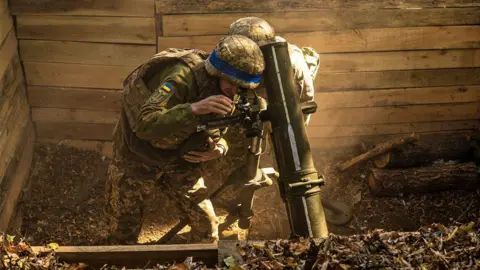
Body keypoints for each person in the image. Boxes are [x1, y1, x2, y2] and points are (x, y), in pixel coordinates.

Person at [105, 35, 265, 244]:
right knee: (123, 234)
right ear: (217, 72)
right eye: (233, 84)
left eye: (242, 87)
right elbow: (145, 124)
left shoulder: (231, 89)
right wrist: (194, 109)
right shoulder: (181, 77)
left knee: (207, 228)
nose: (236, 91)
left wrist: (219, 147)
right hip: (137, 156)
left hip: (179, 160)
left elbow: (224, 128)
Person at [228, 16, 321, 125]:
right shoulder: (229, 54)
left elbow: (304, 99)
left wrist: (298, 126)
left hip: (280, 93)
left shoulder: (291, 61)